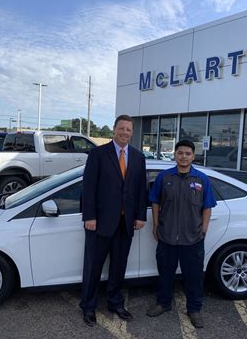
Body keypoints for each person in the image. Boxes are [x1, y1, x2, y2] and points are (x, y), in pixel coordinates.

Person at [80, 114, 147, 326]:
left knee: (119, 267)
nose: (125, 132)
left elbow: (140, 190)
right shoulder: (98, 154)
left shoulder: (138, 157)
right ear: (114, 130)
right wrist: (89, 216)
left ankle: (115, 302)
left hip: (125, 223)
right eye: (122, 128)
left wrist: (140, 215)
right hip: (99, 223)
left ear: (132, 133)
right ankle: (88, 306)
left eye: (129, 129)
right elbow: (88, 188)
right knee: (93, 268)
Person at [147, 139, 217, 328]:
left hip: (192, 239)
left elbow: (207, 207)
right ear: (175, 155)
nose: (183, 156)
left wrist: (203, 229)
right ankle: (163, 303)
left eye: (187, 153)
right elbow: (155, 202)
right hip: (167, 236)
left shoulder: (201, 179)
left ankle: (194, 309)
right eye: (180, 153)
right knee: (165, 274)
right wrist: (155, 225)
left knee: (193, 276)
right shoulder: (164, 177)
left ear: (193, 156)